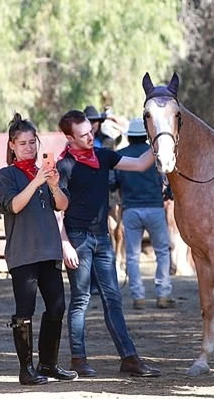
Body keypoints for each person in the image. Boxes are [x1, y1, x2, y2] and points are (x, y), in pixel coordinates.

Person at [56, 109, 161, 378]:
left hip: (102, 238)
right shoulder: (64, 166)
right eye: (83, 135)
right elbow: (57, 210)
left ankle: (129, 358)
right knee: (80, 299)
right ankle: (78, 359)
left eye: (90, 132)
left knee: (113, 298)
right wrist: (65, 244)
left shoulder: (103, 156)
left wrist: (160, 138)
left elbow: (139, 164)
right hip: (77, 238)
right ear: (69, 138)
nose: (90, 137)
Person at [0, 113, 78, 385]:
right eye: (23, 143)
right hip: (23, 252)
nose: (29, 148)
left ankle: (49, 363)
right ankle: (25, 369)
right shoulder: (6, 175)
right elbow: (14, 206)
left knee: (57, 306)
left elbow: (63, 205)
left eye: (33, 142)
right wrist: (36, 182)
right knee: (25, 309)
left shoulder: (45, 173)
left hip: (49, 250)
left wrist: (53, 185)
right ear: (12, 146)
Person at [113, 118, 174, 310]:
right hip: (155, 208)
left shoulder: (120, 156)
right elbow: (167, 178)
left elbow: (113, 183)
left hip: (131, 210)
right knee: (162, 251)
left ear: (129, 137)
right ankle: (163, 294)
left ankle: (138, 297)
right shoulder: (153, 154)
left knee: (132, 255)